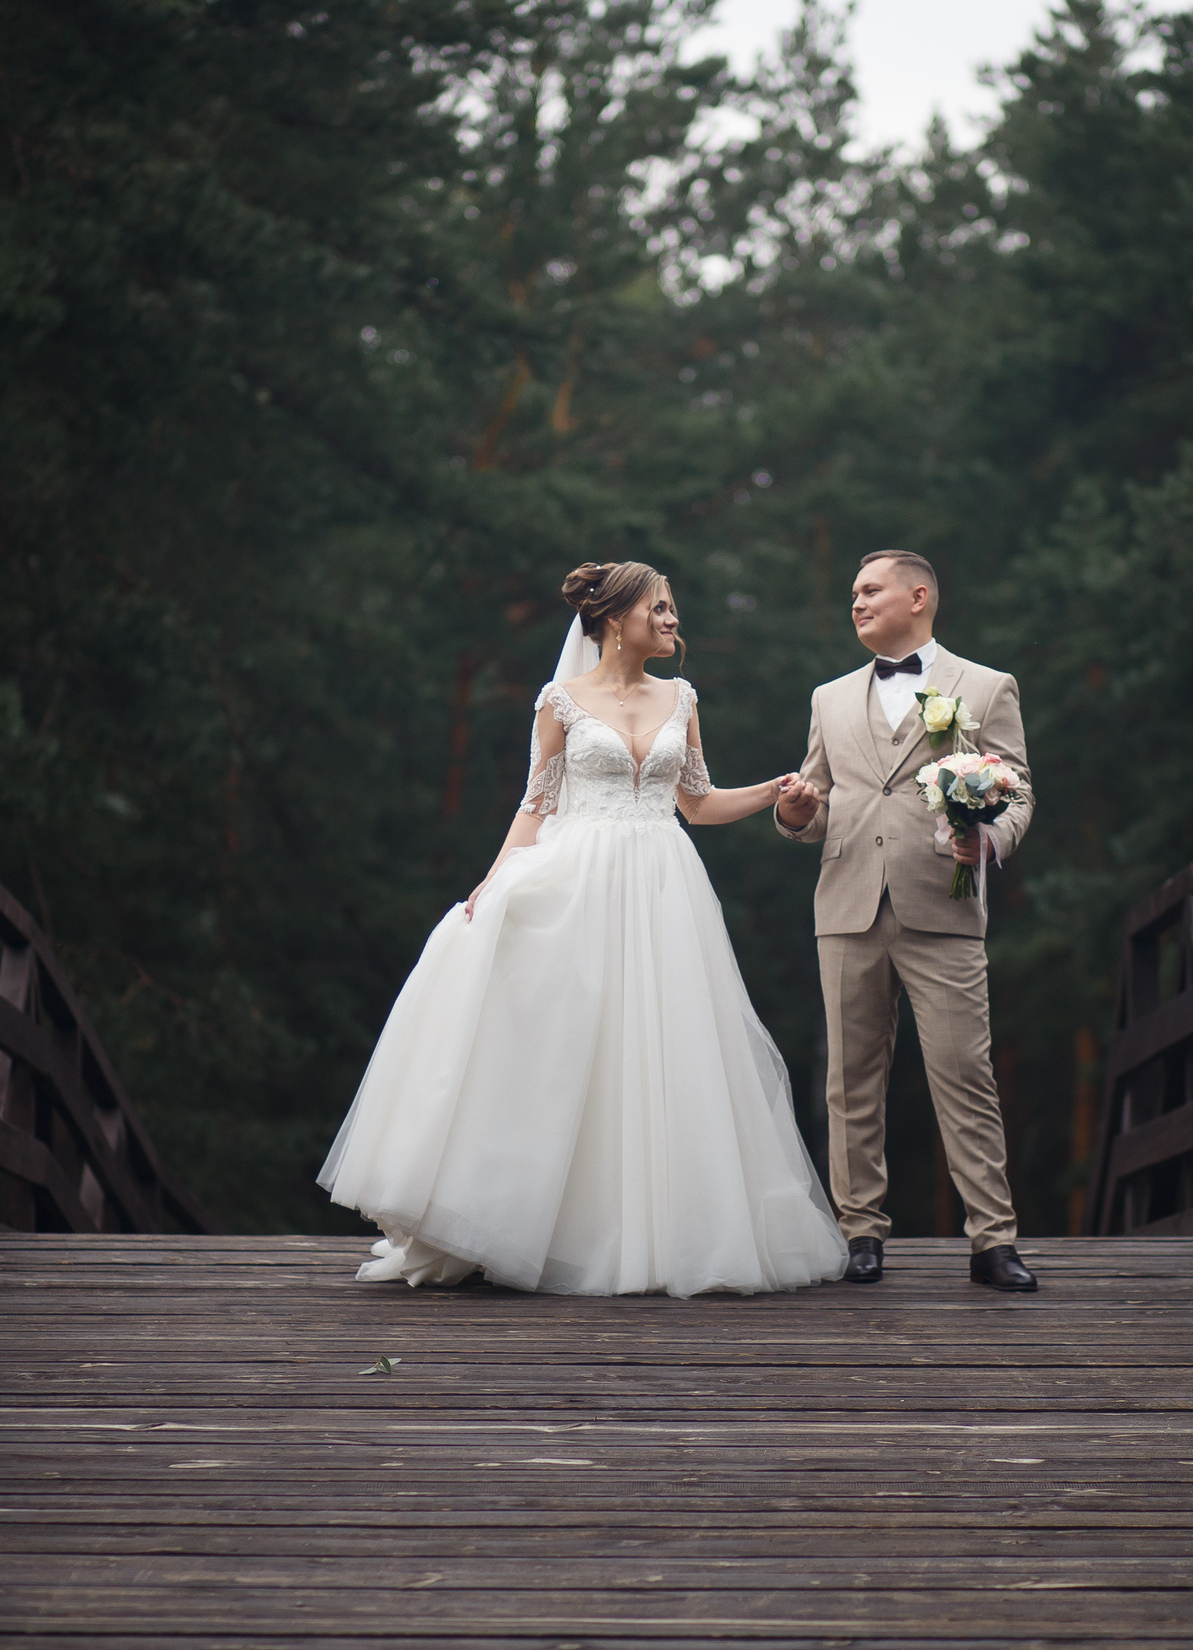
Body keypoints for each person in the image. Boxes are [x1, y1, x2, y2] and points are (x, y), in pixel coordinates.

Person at [319, 561, 847, 1296]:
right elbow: (535, 804)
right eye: (659, 608)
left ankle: (651, 1236)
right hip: (577, 878)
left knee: (661, 1048)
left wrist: (773, 790)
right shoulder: (560, 700)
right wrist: (494, 881)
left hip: (663, 884)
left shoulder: (681, 697)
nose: (672, 621)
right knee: (567, 1046)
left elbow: (697, 803)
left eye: (673, 610)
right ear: (613, 617)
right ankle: (527, 1220)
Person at [772, 549, 1039, 1291]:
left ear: (918, 595)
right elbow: (817, 797)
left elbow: (1018, 794)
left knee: (965, 1073)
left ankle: (993, 1240)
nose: (854, 602)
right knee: (850, 1079)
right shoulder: (828, 697)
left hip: (944, 906)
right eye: (852, 592)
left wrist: (986, 837)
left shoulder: (985, 686)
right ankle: (860, 1232)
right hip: (848, 905)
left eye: (869, 590)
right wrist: (797, 814)